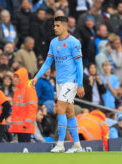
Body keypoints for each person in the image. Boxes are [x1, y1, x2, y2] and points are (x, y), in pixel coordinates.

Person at [31, 16, 85, 153]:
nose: (55, 28)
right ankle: (77, 145)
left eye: (58, 25)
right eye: (54, 25)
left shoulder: (74, 42)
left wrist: (80, 84)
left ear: (65, 27)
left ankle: (60, 144)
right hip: (59, 82)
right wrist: (37, 77)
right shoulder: (54, 43)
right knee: (69, 112)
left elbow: (79, 64)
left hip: (71, 81)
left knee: (60, 107)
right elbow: (48, 63)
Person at [9, 67, 38, 142]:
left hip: (25, 128)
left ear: (22, 78)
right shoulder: (17, 92)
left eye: (17, 77)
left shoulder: (29, 90)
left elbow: (32, 108)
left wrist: (27, 124)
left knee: (24, 150)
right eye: (14, 77)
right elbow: (15, 111)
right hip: (18, 128)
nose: (14, 79)